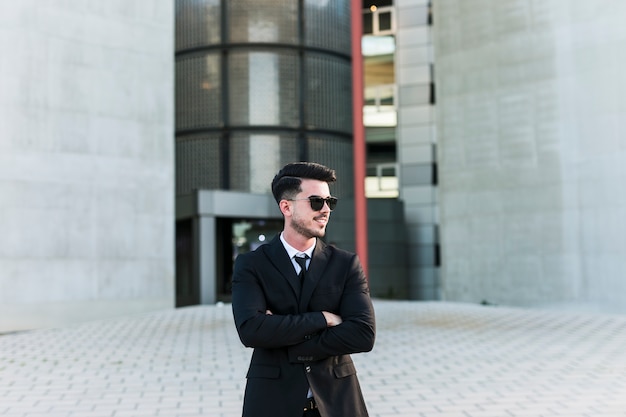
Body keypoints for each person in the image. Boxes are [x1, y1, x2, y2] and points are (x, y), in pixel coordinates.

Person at [232, 162, 376, 417]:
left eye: (330, 201)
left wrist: (283, 338)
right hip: (272, 403)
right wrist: (323, 318)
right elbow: (251, 331)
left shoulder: (345, 264)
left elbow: (363, 334)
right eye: (316, 202)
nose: (326, 210)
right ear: (286, 207)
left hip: (338, 402)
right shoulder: (251, 264)